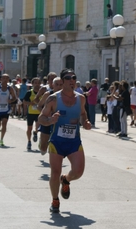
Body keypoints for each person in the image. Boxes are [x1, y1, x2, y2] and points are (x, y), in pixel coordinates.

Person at [38, 68, 91, 213]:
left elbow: (82, 113)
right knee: (55, 172)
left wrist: (85, 122)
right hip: (57, 142)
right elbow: (41, 118)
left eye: (73, 77)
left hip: (74, 142)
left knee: (78, 172)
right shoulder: (53, 98)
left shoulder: (81, 98)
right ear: (62, 81)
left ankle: (66, 179)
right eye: (68, 78)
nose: (72, 80)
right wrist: (50, 120)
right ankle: (55, 200)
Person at [37, 76, 63, 155]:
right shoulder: (48, 94)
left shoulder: (66, 96)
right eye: (57, 84)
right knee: (43, 149)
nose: (59, 87)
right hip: (48, 121)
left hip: (59, 122)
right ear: (53, 85)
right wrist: (45, 114)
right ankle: (42, 143)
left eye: (61, 85)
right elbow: (39, 106)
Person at [0, 74, 17, 146]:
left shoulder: (10, 88)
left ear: (8, 80)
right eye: (3, 78)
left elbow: (15, 97)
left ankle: (1, 139)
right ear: (1, 79)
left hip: (6, 109)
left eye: (6, 78)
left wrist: (11, 100)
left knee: (4, 124)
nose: (5, 80)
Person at [23, 77, 42, 150]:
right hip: (30, 113)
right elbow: (24, 102)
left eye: (38, 83)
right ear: (32, 84)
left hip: (39, 113)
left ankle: (35, 133)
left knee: (38, 127)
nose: (37, 84)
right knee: (29, 128)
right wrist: (31, 103)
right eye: (35, 83)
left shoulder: (42, 92)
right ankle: (29, 141)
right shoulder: (29, 92)